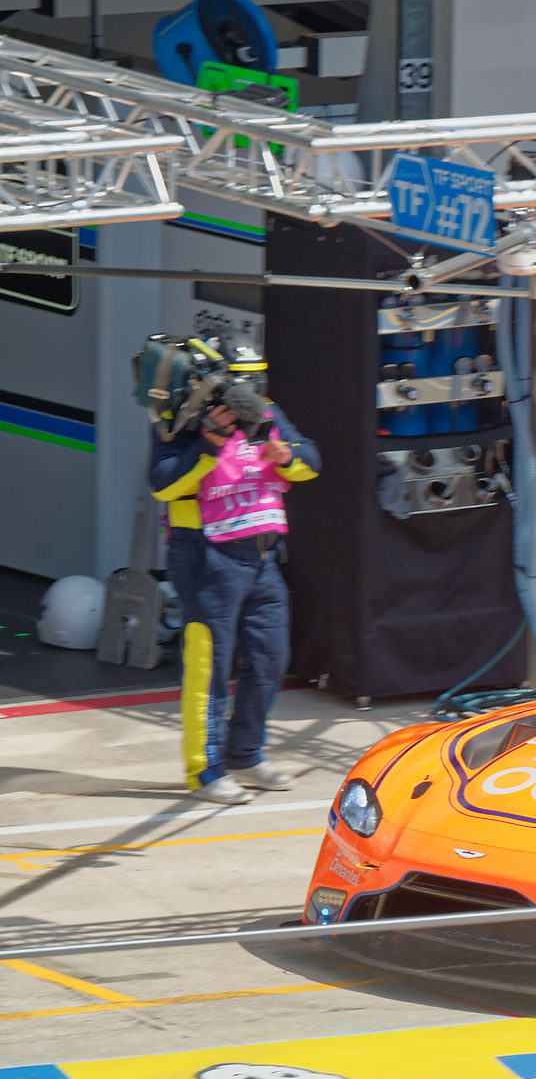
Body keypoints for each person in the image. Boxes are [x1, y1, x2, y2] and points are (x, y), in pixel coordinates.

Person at [147, 342, 319, 805]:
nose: (252, 394)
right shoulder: (181, 420)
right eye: (243, 383)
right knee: (210, 667)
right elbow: (162, 484)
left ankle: (245, 753)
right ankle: (205, 770)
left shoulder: (268, 413)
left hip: (263, 556)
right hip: (207, 558)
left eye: (258, 381)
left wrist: (286, 457)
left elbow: (312, 463)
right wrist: (208, 443)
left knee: (269, 658)